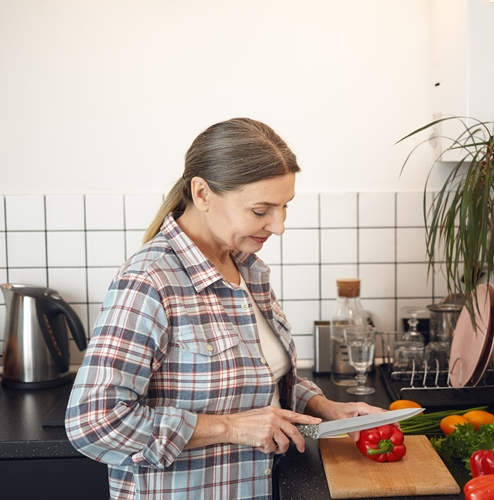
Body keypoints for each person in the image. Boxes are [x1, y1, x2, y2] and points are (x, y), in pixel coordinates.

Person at [65, 118, 382, 500]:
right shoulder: (150, 281)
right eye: (261, 210)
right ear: (202, 193)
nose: (278, 226)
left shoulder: (249, 268)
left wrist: (323, 407)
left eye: (284, 207)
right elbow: (93, 424)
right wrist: (230, 428)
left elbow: (260, 381)